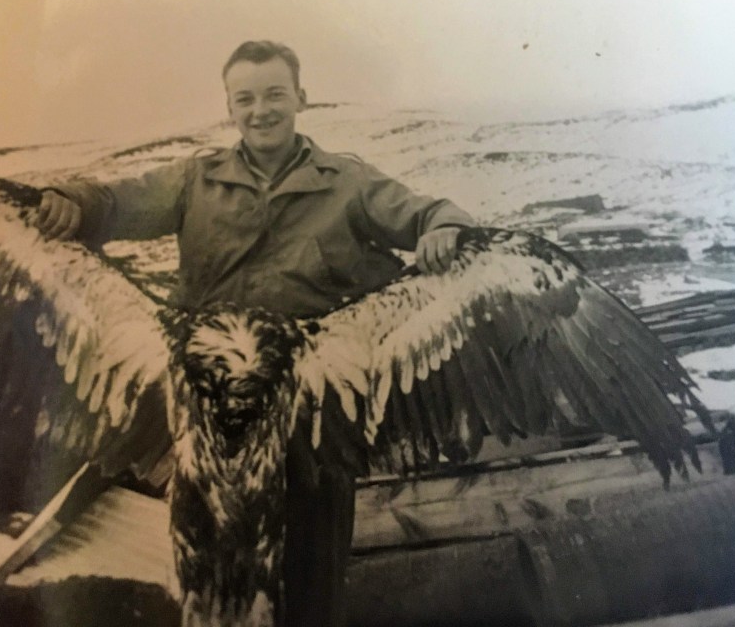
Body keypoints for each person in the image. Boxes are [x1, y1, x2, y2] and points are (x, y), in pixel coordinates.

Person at [36, 40, 474, 625]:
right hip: (208, 419)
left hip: (312, 409)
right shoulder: (195, 181)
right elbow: (115, 204)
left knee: (313, 582)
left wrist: (444, 226)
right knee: (208, 576)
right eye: (245, 99)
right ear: (230, 107)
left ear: (300, 98)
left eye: (274, 95)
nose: (260, 110)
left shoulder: (349, 183)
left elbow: (429, 214)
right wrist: (73, 201)